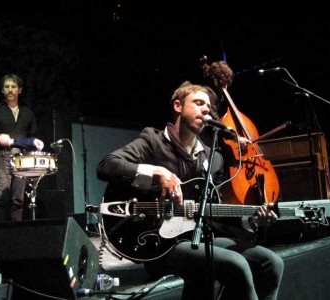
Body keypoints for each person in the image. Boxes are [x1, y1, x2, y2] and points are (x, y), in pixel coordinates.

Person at [97, 81, 284, 300]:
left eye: (208, 106)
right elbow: (106, 165)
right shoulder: (152, 141)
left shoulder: (212, 158)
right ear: (178, 106)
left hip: (198, 237)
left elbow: (214, 212)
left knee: (271, 263)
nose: (206, 109)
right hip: (158, 243)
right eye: (198, 103)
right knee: (237, 264)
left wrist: (250, 220)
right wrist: (157, 173)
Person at [0, 74, 44, 222]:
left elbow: (31, 138)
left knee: (18, 200)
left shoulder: (28, 113)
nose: (10, 90)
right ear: (3, 90)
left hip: (22, 159)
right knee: (1, 197)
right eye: (7, 87)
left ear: (20, 90)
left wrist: (36, 141)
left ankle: (15, 236)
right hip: (3, 156)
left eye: (13, 87)